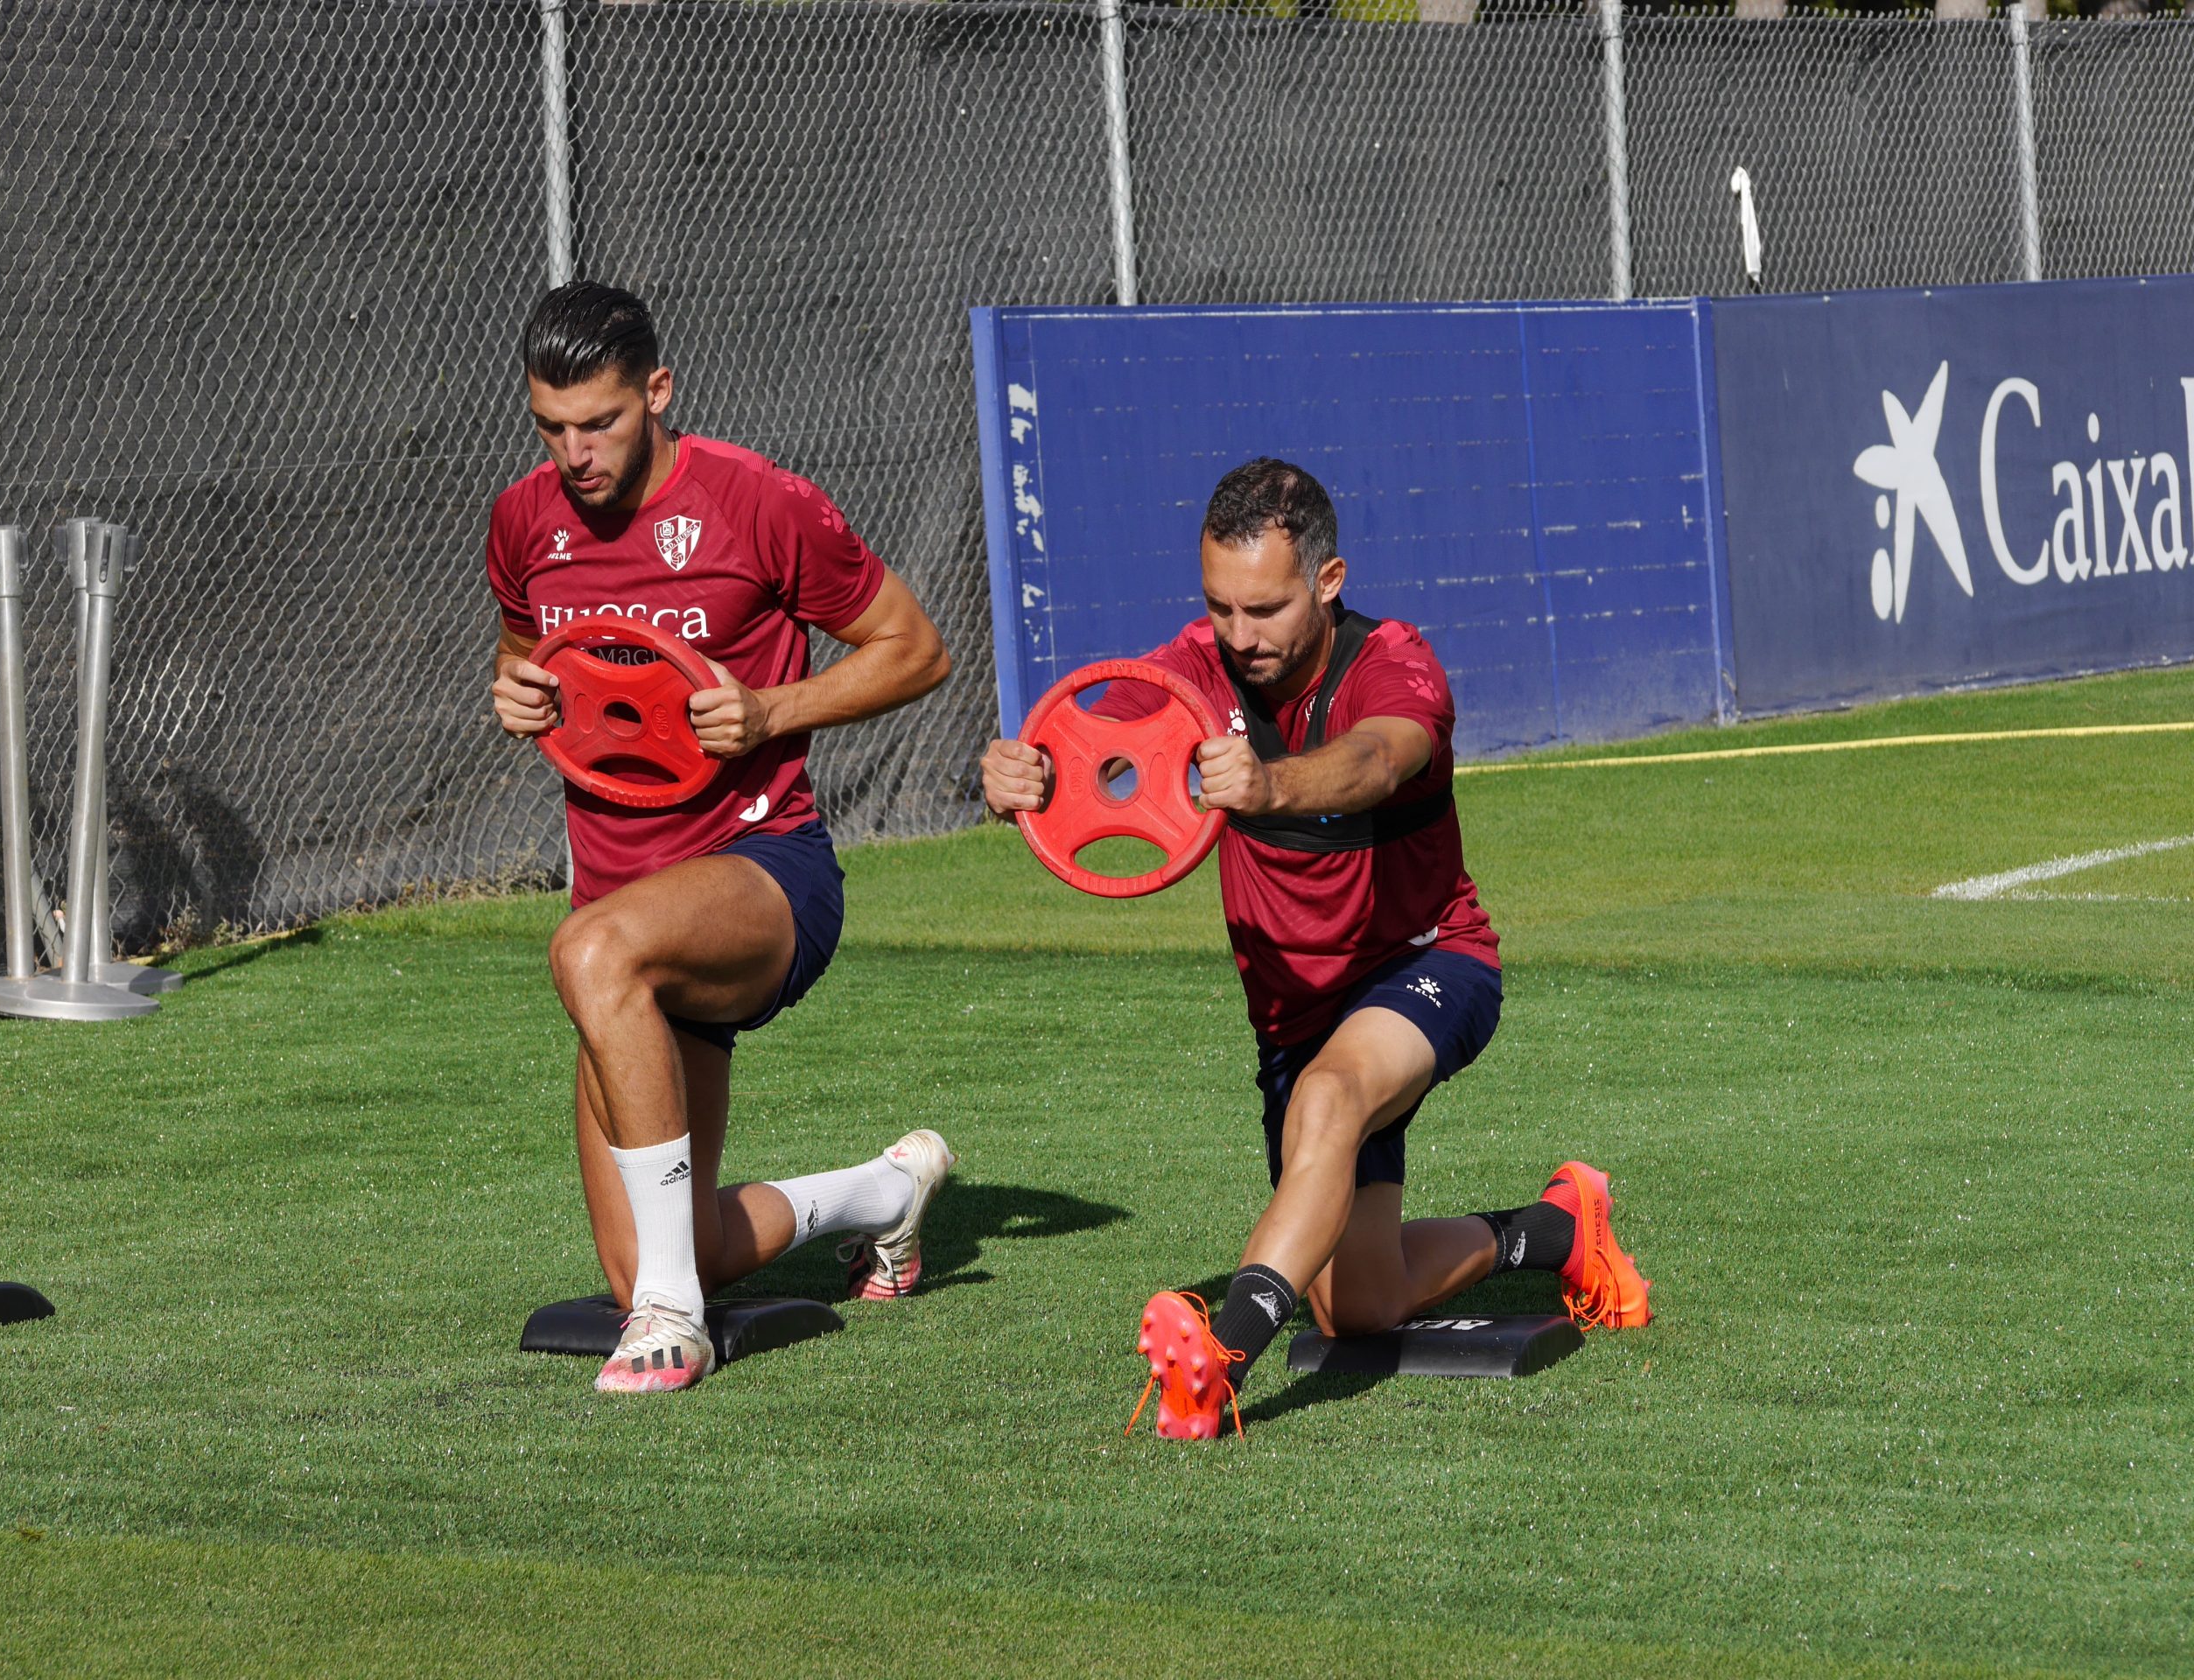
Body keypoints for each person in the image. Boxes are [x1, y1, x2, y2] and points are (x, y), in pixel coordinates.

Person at [979, 458, 1651, 1439]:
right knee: (1360, 1305)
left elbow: (1380, 757)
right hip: (1295, 1018)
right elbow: (1090, 753)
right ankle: (1556, 1228)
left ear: (1326, 585)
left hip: (1428, 967)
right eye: (1220, 608)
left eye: (1264, 609)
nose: (1239, 637)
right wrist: (1017, 777)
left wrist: (1270, 787)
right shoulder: (1196, 669)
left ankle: (1223, 1356)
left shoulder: (1393, 661)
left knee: (1332, 1098)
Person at [487, 280, 957, 1395]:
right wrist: (514, 696)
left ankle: (674, 1323)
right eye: (551, 428)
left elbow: (915, 648)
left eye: (598, 422)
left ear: (656, 393)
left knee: (590, 953)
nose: (575, 453)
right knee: (645, 1257)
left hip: (763, 877)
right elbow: (526, 658)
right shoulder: (522, 521)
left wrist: (772, 709)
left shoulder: (761, 502)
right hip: (627, 917)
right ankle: (883, 1196)